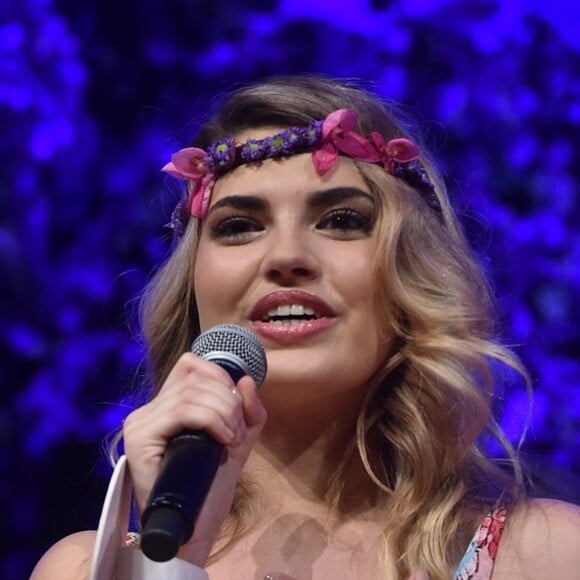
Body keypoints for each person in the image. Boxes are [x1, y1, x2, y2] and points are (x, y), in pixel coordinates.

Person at [32, 75, 580, 580]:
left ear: (409, 276)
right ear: (194, 286)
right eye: (241, 226)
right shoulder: (84, 570)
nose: (287, 256)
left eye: (342, 220)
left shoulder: (545, 555)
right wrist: (172, 561)